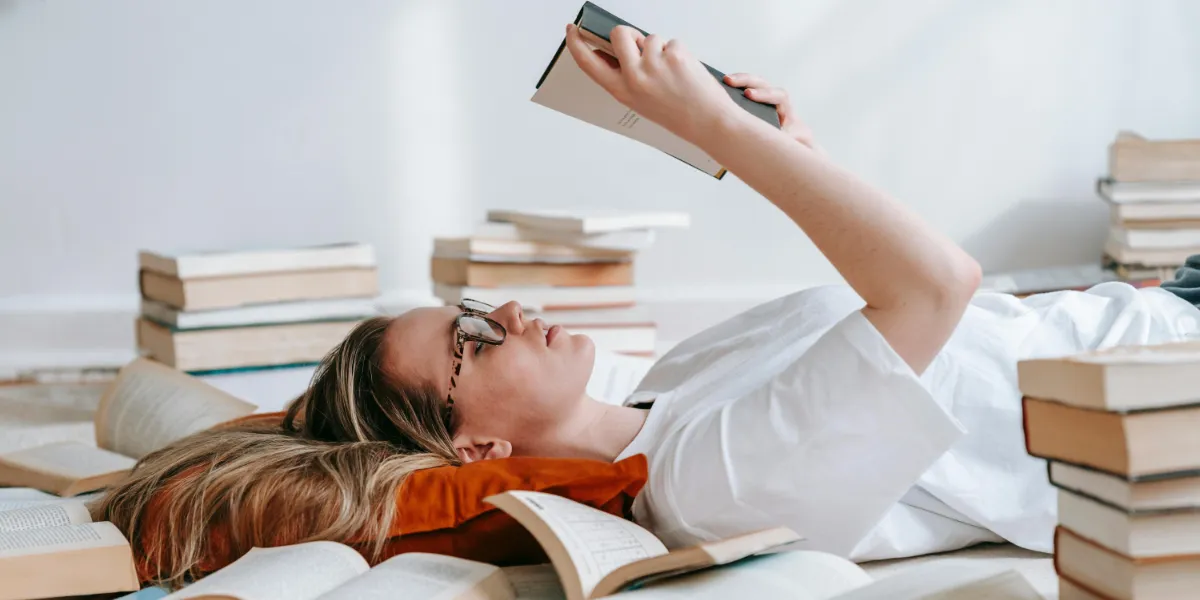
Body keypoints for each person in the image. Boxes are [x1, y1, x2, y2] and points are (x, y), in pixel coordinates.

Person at [97, 23, 1200, 585]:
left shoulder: (666, 396)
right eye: (472, 342)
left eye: (478, 305)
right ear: (475, 439)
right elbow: (934, 287)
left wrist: (784, 149)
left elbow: (914, 311)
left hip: (1145, 300)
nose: (511, 314)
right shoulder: (710, 485)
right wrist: (720, 134)